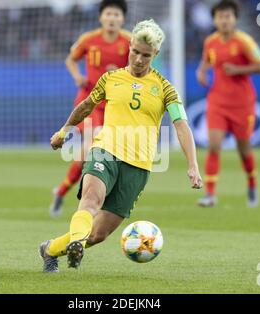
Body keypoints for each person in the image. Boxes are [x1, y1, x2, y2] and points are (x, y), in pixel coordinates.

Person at [40, 19, 203, 272]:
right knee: (90, 202)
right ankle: (76, 245)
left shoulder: (166, 89)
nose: (139, 59)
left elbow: (181, 125)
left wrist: (193, 165)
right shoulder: (110, 79)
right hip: (105, 150)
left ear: (155, 54)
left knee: (97, 235)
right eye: (135, 52)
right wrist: (64, 132)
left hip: (138, 166)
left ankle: (50, 249)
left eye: (146, 55)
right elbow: (85, 107)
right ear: (130, 46)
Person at [50, 0, 131, 217]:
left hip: (115, 105)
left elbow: (139, 68)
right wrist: (78, 76)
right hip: (90, 102)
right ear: (101, 17)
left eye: (116, 15)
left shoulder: (129, 42)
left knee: (91, 155)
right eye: (108, 14)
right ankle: (89, 200)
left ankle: (61, 191)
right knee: (93, 145)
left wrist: (123, 72)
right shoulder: (89, 39)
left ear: (122, 19)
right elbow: (71, 59)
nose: (112, 18)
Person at [196, 0, 260, 208]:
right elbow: (206, 62)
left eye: (228, 16)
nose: (224, 20)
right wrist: (201, 72)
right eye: (220, 16)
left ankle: (252, 184)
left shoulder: (245, 41)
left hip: (242, 103)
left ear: (235, 19)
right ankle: (210, 194)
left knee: (243, 149)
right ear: (214, 19)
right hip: (217, 100)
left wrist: (238, 71)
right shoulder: (211, 41)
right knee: (214, 145)